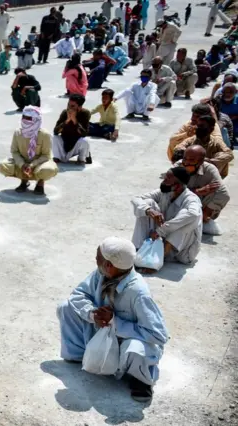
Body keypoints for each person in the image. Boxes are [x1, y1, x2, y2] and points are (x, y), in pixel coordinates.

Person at [56, 236, 169, 402]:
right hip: (103, 332)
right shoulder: (101, 274)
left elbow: (158, 335)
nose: (95, 260)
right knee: (66, 307)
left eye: (98, 258)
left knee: (135, 349)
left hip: (126, 341)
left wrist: (115, 322)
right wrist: (92, 314)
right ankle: (79, 355)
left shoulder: (139, 293)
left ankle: (140, 380)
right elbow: (79, 294)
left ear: (109, 265)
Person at [131, 167, 202, 269]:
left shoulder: (191, 199)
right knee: (147, 204)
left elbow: (193, 214)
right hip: (160, 238)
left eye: (168, 179)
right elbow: (136, 198)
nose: (164, 181)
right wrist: (148, 210)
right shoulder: (164, 192)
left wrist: (161, 231)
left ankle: (157, 259)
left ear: (177, 186)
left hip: (182, 251)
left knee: (188, 217)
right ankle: (139, 249)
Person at [0, 106, 58, 195]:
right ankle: (24, 181)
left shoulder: (45, 135)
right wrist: (22, 164)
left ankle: (40, 183)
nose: (25, 120)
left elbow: (46, 155)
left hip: (39, 164)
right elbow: (14, 152)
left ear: (36, 120)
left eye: (29, 118)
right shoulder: (18, 132)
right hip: (22, 163)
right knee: (2, 165)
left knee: (49, 169)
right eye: (24, 117)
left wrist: (32, 165)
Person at [175, 145, 229, 235]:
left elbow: (223, 194)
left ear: (200, 162)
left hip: (201, 206)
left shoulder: (210, 169)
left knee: (218, 192)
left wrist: (206, 212)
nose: (186, 162)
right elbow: (168, 190)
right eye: (185, 158)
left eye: (191, 160)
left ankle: (201, 218)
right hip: (181, 205)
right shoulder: (178, 166)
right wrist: (197, 191)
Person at [52, 94, 91, 164]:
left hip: (76, 144)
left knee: (85, 141)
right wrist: (66, 121)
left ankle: (81, 159)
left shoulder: (85, 113)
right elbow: (55, 131)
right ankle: (57, 157)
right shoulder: (64, 112)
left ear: (79, 107)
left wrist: (75, 121)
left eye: (72, 106)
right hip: (64, 142)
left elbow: (84, 134)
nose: (69, 108)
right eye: (68, 105)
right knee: (54, 138)